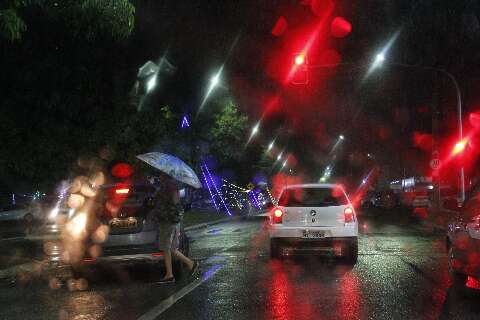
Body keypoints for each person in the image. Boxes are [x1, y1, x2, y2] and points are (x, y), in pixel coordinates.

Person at [151, 174, 198, 283]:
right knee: (171, 248)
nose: (159, 176)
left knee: (166, 248)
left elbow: (171, 202)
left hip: (167, 221)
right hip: (172, 220)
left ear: (164, 176)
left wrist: (159, 194)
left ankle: (170, 275)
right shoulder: (171, 186)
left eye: (160, 174)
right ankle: (189, 264)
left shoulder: (168, 187)